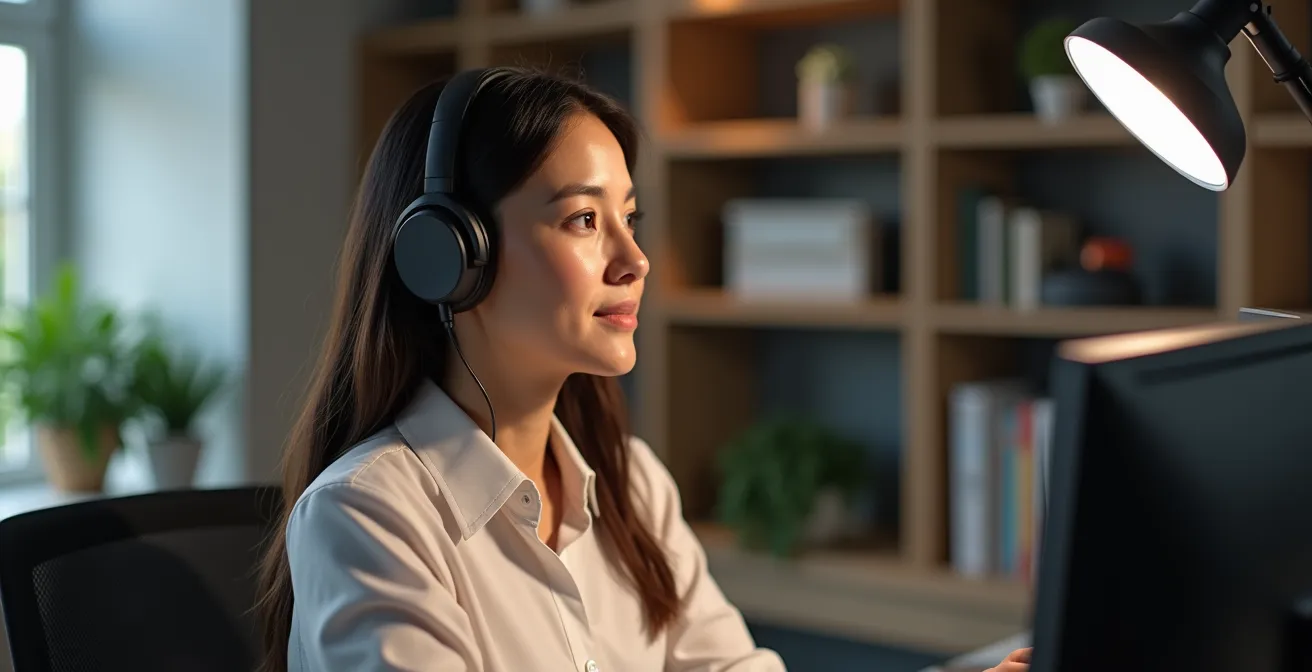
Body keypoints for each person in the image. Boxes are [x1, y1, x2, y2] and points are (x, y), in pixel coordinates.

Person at [252, 66, 1031, 672]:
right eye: (584, 220)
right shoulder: (366, 517)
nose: (635, 261)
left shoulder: (630, 484)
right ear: (451, 256)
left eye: (631, 219)